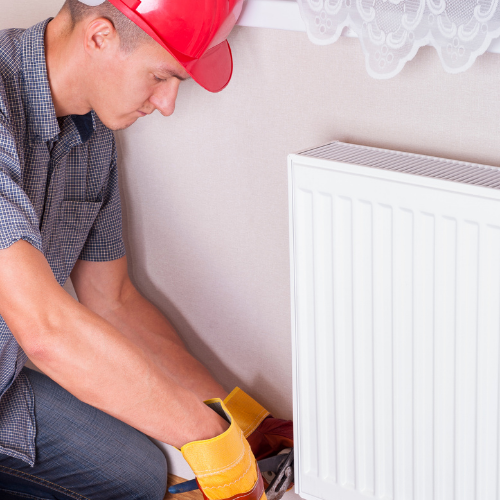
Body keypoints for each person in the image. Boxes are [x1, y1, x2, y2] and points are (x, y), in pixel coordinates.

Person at [0, 0, 293, 499]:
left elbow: (113, 302)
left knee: (135, 474)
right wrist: (207, 441)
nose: (167, 103)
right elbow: (44, 328)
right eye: (160, 76)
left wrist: (235, 418)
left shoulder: (91, 136)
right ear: (99, 37)